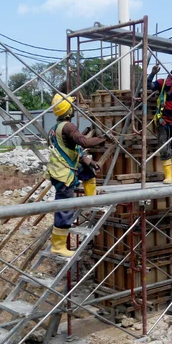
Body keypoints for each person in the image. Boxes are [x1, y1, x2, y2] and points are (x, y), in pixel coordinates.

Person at [44, 93, 107, 258]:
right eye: (72, 106)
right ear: (68, 110)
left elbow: (72, 150)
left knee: (87, 171)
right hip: (63, 174)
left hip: (63, 168)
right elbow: (84, 142)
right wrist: (103, 138)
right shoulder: (68, 127)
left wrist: (88, 161)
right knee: (64, 207)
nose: (75, 108)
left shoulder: (55, 128)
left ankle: (91, 198)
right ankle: (58, 246)